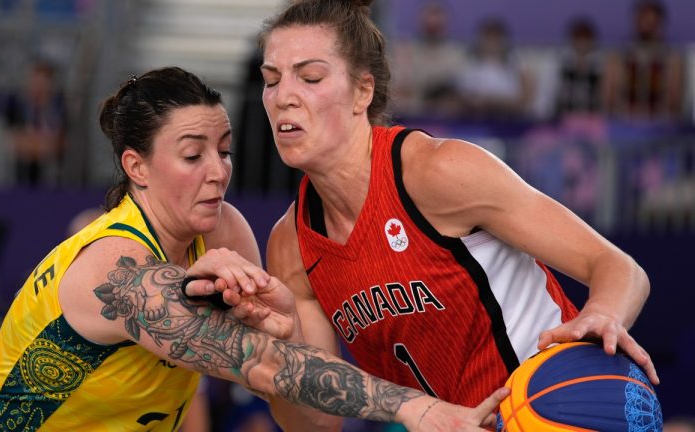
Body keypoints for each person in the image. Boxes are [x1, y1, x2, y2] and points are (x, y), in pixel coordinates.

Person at [0, 66, 503, 432]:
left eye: (225, 151)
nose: (217, 172)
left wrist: (281, 319)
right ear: (138, 167)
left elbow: (292, 393)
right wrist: (416, 408)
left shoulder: (224, 233)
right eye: (192, 154)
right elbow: (262, 368)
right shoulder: (114, 270)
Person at [249, 1, 658, 430]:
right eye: (270, 81)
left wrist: (604, 316)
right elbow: (316, 421)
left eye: (309, 77)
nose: (283, 98)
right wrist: (279, 364)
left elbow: (620, 268)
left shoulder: (437, 172)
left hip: (557, 409)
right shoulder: (291, 245)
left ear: (361, 92)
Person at [602, 0, 684, 120]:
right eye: (642, 20)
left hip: (659, 125)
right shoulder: (619, 55)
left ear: (659, 23)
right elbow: (609, 96)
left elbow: (674, 99)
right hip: (624, 123)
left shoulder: (672, 58)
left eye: (651, 21)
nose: (646, 25)